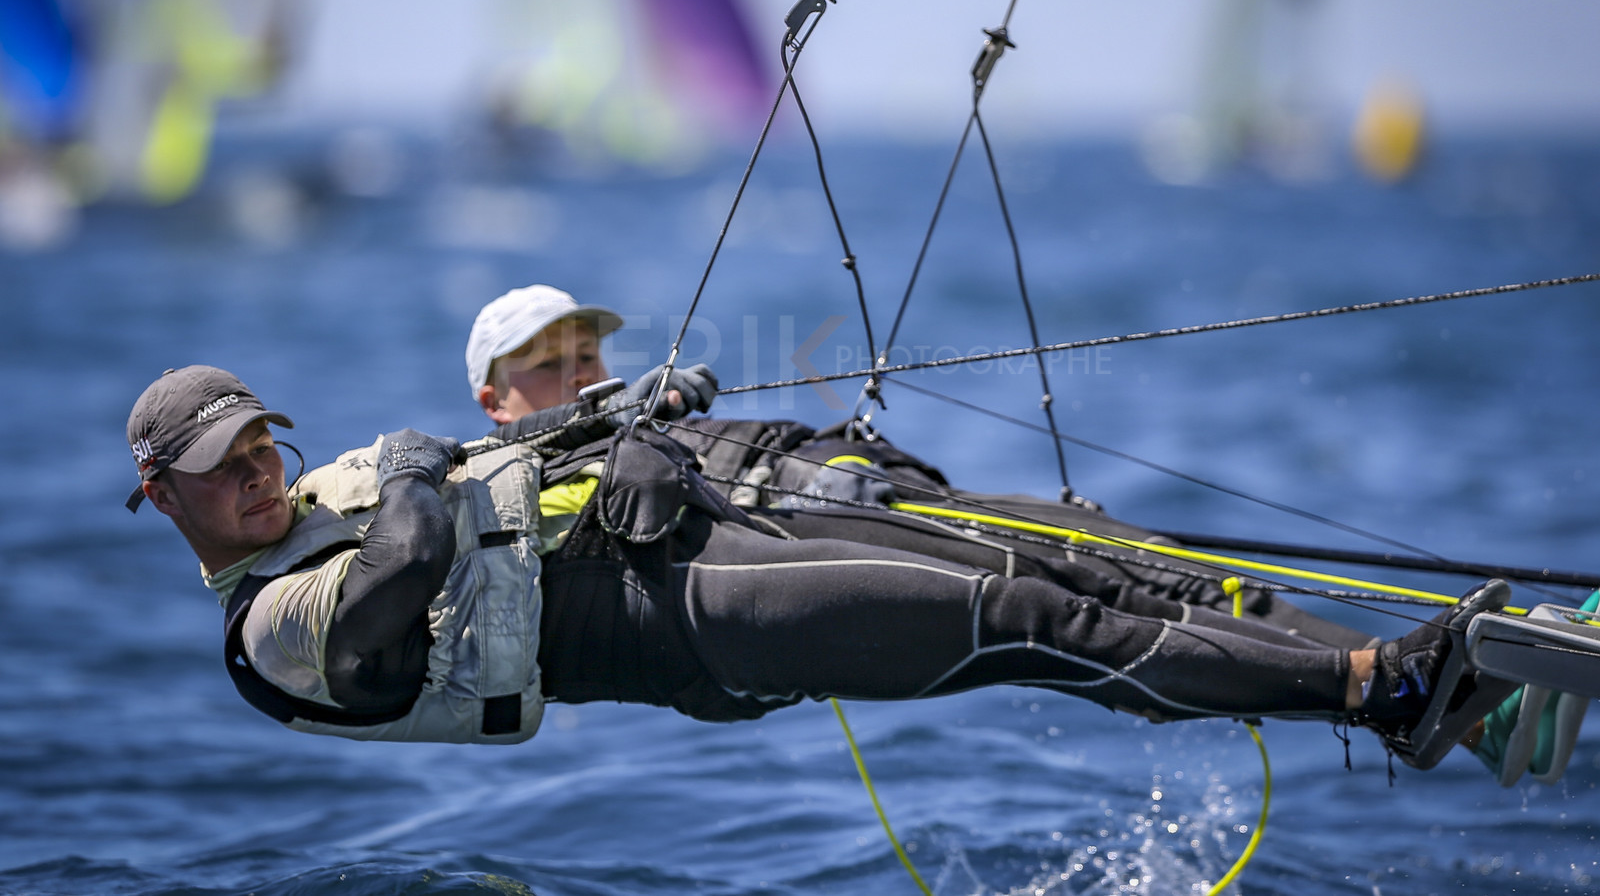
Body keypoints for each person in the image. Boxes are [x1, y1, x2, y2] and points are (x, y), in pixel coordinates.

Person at [127, 363, 1517, 768]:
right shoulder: (268, 631)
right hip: (680, 626)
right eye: (219, 463)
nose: (253, 470)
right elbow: (421, 548)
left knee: (1055, 552)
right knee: (1015, 613)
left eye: (258, 442)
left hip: (695, 542)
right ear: (161, 495)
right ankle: (1380, 692)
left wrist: (623, 419)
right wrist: (429, 466)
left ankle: (1430, 670)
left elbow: (505, 469)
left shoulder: (318, 494)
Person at [460, 283, 1590, 781]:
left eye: (585, 351)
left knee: (1148, 562)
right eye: (545, 362)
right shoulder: (501, 468)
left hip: (862, 517)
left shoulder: (660, 411)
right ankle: (1383, 687)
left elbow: (803, 447)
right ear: (493, 396)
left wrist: (863, 460)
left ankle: (1461, 708)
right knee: (1050, 616)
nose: (577, 369)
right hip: (736, 615)